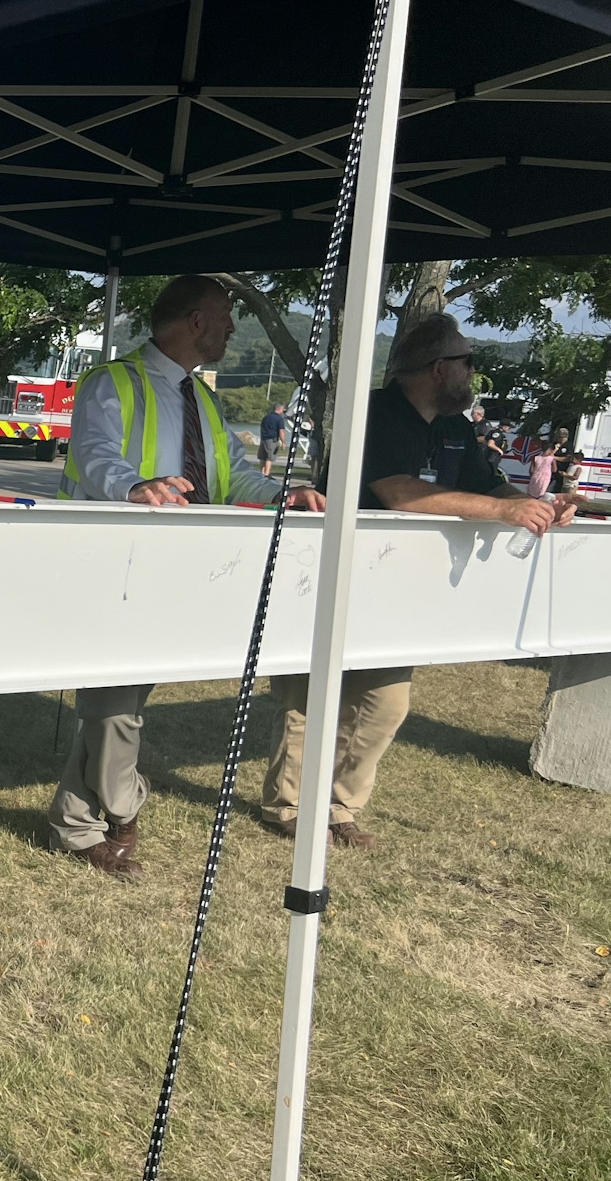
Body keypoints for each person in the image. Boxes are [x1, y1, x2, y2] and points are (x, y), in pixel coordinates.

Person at [261, 312, 577, 845]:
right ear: (439, 368)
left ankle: (339, 807)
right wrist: (501, 513)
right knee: (309, 695)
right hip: (335, 571)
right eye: (467, 362)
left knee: (385, 702)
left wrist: (536, 504)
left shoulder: (456, 425)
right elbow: (400, 493)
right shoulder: (376, 414)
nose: (472, 372)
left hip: (402, 591)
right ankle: (288, 807)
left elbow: (490, 486)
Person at [49, 276, 325, 878]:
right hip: (113, 563)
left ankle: (74, 820)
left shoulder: (204, 400)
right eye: (225, 317)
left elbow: (233, 480)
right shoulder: (111, 382)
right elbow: (95, 454)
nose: (232, 328)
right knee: (112, 701)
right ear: (195, 322)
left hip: (176, 571)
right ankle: (122, 809)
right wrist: (134, 488)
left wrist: (287, 494)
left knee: (121, 695)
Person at [258, 398, 289, 476]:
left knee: (262, 456)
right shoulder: (279, 419)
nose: (283, 411)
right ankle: (267, 473)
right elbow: (281, 431)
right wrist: (284, 442)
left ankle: (261, 472)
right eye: (282, 409)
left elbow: (261, 428)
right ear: (279, 409)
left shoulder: (266, 417)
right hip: (272, 440)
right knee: (269, 457)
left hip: (264, 439)